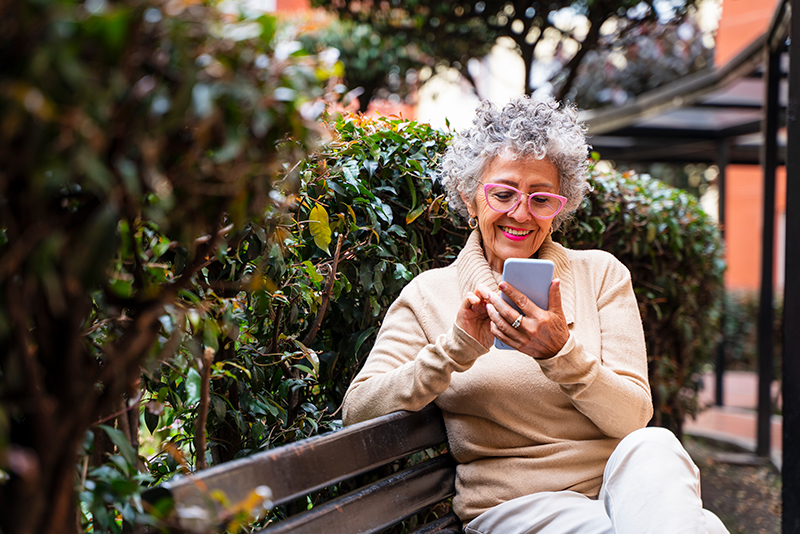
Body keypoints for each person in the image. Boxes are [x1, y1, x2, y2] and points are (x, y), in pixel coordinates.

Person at [341, 95, 728, 534]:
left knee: (655, 443)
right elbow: (359, 410)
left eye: (541, 199)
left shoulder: (601, 275)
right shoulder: (430, 295)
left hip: (624, 496)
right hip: (517, 508)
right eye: (503, 193)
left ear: (559, 207)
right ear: (471, 199)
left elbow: (631, 417)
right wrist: (454, 350)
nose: (521, 214)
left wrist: (562, 352)